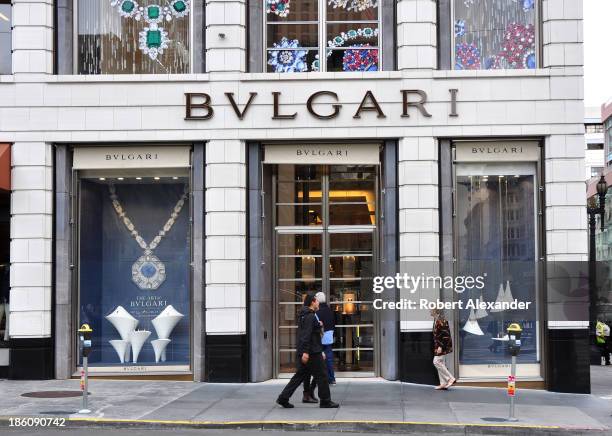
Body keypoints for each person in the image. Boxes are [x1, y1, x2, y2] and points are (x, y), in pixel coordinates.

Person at [276, 292, 339, 409]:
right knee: (322, 375)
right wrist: (306, 352)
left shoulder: (304, 315)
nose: (318, 303)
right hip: (312, 352)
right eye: (316, 301)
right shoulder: (310, 316)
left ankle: (283, 398)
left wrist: (318, 325)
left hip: (307, 351)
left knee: (299, 376)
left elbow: (308, 332)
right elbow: (306, 335)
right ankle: (325, 401)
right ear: (312, 303)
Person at [431, 308, 456, 390]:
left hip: (442, 346)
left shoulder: (441, 320)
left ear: (435, 311)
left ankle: (450, 378)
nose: (430, 311)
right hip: (438, 346)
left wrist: (441, 346)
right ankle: (443, 383)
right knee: (440, 363)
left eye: (431, 310)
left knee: (436, 362)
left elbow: (446, 335)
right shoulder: (436, 319)